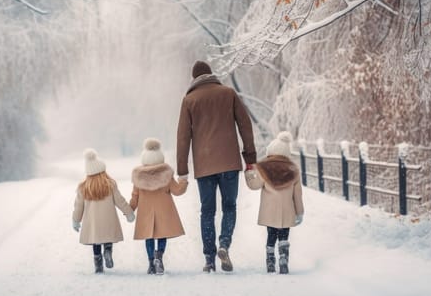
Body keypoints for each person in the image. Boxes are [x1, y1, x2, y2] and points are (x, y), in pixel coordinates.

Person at [176, 60, 257, 273]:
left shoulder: (189, 100)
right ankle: (224, 244)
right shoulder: (228, 93)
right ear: (211, 75)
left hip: (204, 166)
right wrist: (250, 158)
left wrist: (182, 170)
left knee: (207, 211)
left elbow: (183, 138)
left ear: (194, 79)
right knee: (229, 206)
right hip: (229, 162)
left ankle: (209, 258)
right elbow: (245, 125)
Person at [244, 131, 304, 274]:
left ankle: (270, 260)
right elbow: (297, 194)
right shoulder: (293, 169)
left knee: (271, 235)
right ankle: (283, 256)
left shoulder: (263, 168)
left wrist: (248, 174)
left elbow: (254, 185)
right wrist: (299, 212)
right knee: (284, 235)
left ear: (271, 151)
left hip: (269, 210)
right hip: (287, 210)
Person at [72, 148, 135, 274]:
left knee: (96, 242)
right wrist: (129, 213)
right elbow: (120, 200)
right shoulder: (110, 184)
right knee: (107, 238)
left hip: (93, 223)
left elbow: (78, 206)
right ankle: (107, 251)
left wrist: (76, 220)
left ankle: (98, 265)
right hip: (108, 220)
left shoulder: (83, 187)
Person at [130, 138, 187, 275]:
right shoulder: (166, 173)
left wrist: (129, 210)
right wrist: (183, 181)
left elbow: (135, 197)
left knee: (148, 237)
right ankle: (159, 257)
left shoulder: (139, 176)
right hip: (164, 211)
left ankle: (151, 263)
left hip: (146, 213)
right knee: (162, 235)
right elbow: (177, 190)